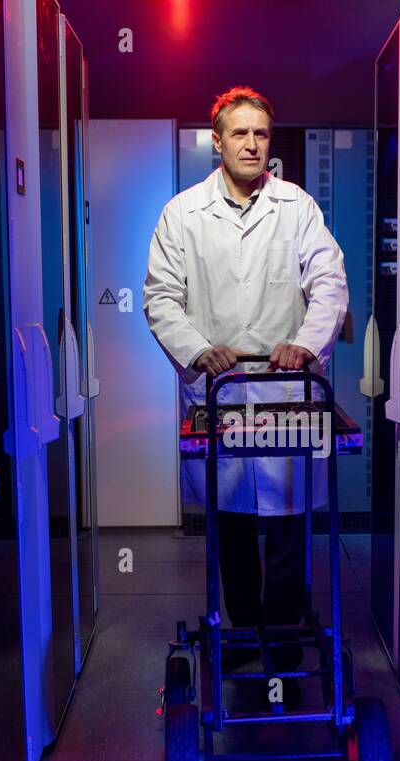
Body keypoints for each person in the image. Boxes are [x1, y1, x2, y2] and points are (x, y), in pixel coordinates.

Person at [143, 86, 349, 664]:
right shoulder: (182, 214)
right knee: (230, 524)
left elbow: (329, 284)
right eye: (240, 133)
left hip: (286, 388)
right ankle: (239, 632)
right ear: (218, 142)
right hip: (222, 390)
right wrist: (198, 349)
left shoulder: (298, 207)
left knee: (288, 528)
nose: (252, 144)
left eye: (261, 133)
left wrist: (305, 345)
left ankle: (281, 638)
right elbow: (161, 296)